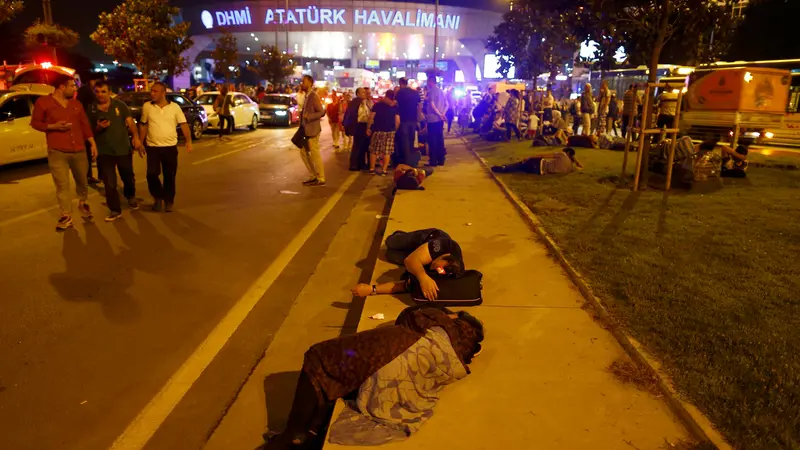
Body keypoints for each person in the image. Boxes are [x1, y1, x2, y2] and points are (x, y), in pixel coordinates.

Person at [264, 306, 483, 449]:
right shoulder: (461, 354)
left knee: (319, 356)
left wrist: (442, 313)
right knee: (346, 372)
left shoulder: (439, 320)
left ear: (457, 320)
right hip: (395, 374)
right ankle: (313, 427)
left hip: (389, 351)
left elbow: (410, 315)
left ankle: (294, 433)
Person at [31, 75, 98, 231]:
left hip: (79, 149)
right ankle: (66, 215)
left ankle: (82, 203)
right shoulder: (43, 103)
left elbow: (84, 124)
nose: (75, 89)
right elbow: (35, 123)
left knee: (82, 180)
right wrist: (52, 126)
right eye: (72, 86)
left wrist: (92, 143)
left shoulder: (77, 104)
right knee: (62, 185)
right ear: (61, 87)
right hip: (57, 151)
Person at [88, 80, 142, 221]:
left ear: (109, 92)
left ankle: (130, 196)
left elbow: (131, 123)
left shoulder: (120, 106)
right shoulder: (91, 109)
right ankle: (115, 210)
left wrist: (136, 138)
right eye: (97, 92)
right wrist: (99, 127)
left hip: (123, 148)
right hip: (104, 151)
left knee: (128, 177)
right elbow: (88, 132)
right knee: (109, 182)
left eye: (103, 91)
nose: (100, 94)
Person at [138, 82, 192, 212]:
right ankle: (158, 197)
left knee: (169, 175)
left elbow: (184, 124)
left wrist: (188, 140)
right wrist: (140, 142)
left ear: (163, 93)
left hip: (170, 147)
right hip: (153, 147)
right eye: (152, 91)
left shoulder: (175, 107)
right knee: (151, 174)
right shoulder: (147, 107)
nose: (152, 93)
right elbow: (143, 124)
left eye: (155, 91)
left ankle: (168, 200)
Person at [379, 228, 465, 300]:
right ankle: (400, 235)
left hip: (419, 255)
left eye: (440, 271)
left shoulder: (455, 270)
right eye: (439, 267)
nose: (437, 270)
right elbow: (409, 260)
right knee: (391, 242)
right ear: (446, 256)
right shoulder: (444, 245)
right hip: (424, 239)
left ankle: (414, 254)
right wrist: (423, 277)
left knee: (390, 255)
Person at [298, 75, 326, 186]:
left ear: (310, 83)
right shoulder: (306, 96)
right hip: (305, 129)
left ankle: (321, 177)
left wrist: (309, 116)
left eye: (304, 82)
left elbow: (322, 112)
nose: (302, 83)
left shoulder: (313, 96)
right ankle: (313, 175)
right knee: (303, 152)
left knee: (314, 153)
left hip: (313, 129)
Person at [77, 73, 104, 185]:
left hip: (93, 123)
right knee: (89, 152)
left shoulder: (90, 89)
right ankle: (88, 176)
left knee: (96, 151)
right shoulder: (86, 90)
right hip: (87, 124)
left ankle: (98, 175)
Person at [367, 89, 400, 175]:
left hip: (377, 130)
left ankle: (372, 169)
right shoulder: (395, 107)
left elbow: (371, 117)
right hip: (389, 131)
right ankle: (384, 170)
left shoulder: (377, 105)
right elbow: (397, 121)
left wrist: (368, 128)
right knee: (387, 151)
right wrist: (395, 130)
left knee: (374, 150)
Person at [492, 147, 583, 175]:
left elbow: (543, 155)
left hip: (538, 163)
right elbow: (581, 167)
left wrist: (530, 157)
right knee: (521, 168)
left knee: (519, 165)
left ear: (566, 152)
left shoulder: (562, 155)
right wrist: (575, 159)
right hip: (538, 171)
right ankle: (506, 168)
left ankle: (503, 168)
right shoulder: (571, 168)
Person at [396, 77, 421, 166]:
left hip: (404, 119)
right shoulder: (414, 92)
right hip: (413, 119)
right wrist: (418, 118)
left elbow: (396, 104)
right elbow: (419, 105)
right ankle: (411, 159)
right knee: (411, 139)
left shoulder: (400, 92)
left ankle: (406, 161)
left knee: (404, 140)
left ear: (400, 83)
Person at [425, 74, 447, 166]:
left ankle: (433, 160)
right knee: (439, 139)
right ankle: (441, 159)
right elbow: (447, 104)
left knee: (432, 140)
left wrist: (439, 114)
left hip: (432, 119)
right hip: (439, 120)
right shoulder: (441, 91)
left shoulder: (432, 92)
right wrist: (443, 114)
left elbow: (432, 105)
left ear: (430, 82)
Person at [348, 87, 371, 171]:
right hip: (359, 125)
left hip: (364, 125)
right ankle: (354, 164)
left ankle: (361, 163)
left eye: (365, 92)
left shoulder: (365, 102)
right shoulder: (356, 101)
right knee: (357, 145)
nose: (365, 94)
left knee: (364, 145)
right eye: (363, 92)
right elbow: (353, 114)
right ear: (358, 94)